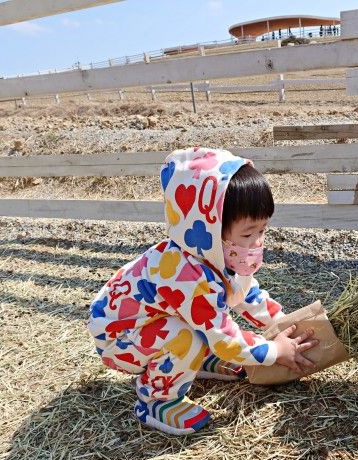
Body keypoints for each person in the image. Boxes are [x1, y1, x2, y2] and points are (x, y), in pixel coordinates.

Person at [87, 147, 318, 435]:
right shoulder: (187, 275)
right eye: (248, 234)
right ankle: (156, 401)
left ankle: (196, 359)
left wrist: (283, 323)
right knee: (186, 337)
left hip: (147, 322)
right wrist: (275, 351)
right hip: (119, 338)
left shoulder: (216, 255)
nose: (257, 242)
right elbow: (224, 338)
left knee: (193, 331)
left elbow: (248, 294)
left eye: (263, 230)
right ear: (209, 228)